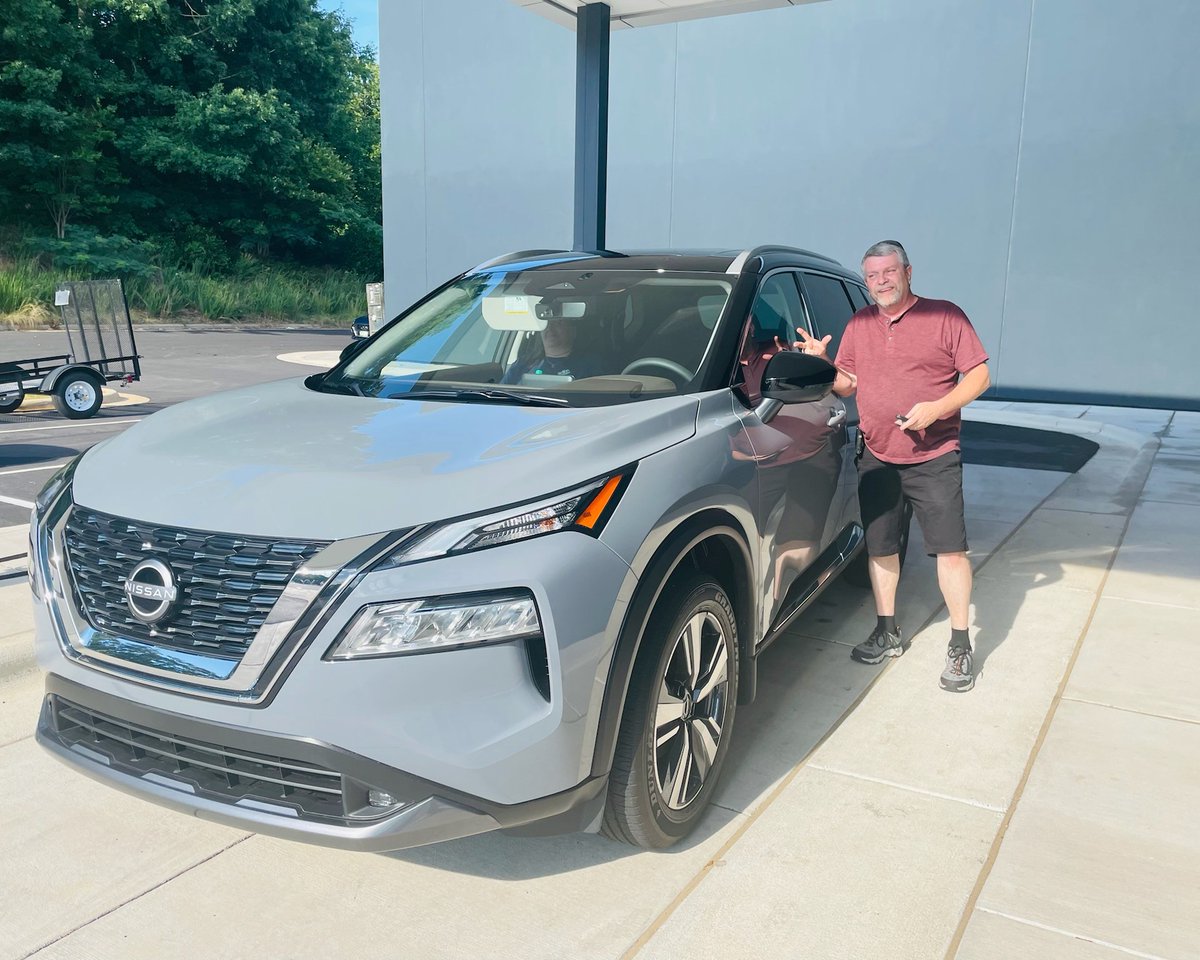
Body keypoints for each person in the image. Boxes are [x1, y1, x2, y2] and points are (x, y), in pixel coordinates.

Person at [795, 240, 990, 692]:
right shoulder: (860, 324)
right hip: (878, 455)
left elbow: (979, 375)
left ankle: (960, 644)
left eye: (889, 272)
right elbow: (848, 385)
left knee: (950, 550)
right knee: (881, 548)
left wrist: (939, 408)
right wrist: (823, 364)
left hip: (935, 456)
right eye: (873, 275)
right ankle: (887, 630)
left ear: (907, 271)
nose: (881, 281)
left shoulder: (945, 316)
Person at [501, 315, 600, 384]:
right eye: (546, 324)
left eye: (558, 323)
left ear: (573, 331)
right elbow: (502, 395)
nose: (550, 329)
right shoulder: (523, 364)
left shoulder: (591, 365)